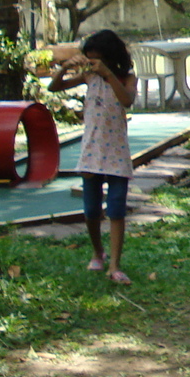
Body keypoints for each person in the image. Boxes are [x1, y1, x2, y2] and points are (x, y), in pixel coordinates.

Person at [48, 29, 138, 285]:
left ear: (110, 58)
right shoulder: (88, 77)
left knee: (117, 209)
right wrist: (65, 67)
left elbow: (127, 101)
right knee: (90, 209)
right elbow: (54, 87)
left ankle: (115, 265)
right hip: (92, 151)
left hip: (117, 153)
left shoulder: (127, 78)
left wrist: (108, 74)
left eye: (97, 59)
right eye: (89, 59)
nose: (92, 64)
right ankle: (98, 252)